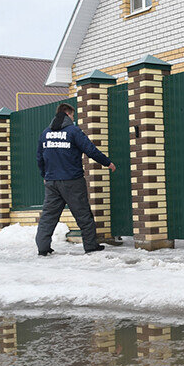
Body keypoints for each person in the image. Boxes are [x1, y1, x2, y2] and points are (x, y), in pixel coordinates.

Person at [35, 102, 115, 255]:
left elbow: (40, 157)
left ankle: (43, 248)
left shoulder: (45, 133)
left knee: (48, 217)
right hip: (72, 180)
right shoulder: (73, 131)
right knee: (83, 214)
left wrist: (44, 175)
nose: (73, 118)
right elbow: (90, 149)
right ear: (67, 114)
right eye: (72, 115)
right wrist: (107, 162)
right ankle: (91, 246)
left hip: (52, 182)